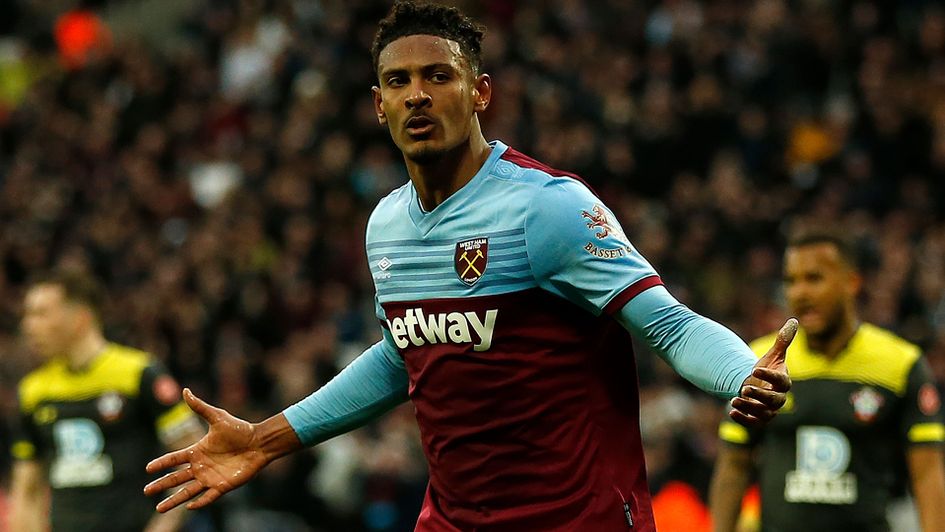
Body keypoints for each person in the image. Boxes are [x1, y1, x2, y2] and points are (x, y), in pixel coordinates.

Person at [144, 2, 794, 530]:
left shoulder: (546, 207)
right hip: (453, 521)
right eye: (398, 82)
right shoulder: (387, 224)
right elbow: (403, 355)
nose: (417, 96)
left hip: (575, 519)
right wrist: (264, 440)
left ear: (480, 91)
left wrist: (742, 372)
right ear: (378, 105)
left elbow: (668, 326)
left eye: (439, 76)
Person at [709, 232, 945, 532]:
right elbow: (734, 466)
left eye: (814, 278)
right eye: (791, 281)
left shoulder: (901, 364)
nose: (800, 292)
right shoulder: (759, 360)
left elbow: (927, 474)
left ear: (852, 282)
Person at [9, 271, 204, 532]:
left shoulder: (139, 374)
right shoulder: (33, 391)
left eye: (41, 313)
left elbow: (198, 459)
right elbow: (27, 490)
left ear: (80, 318)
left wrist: (163, 526)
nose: (28, 325)